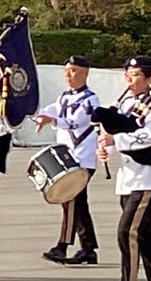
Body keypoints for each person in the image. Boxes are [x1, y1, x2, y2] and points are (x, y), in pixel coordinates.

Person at [97, 56, 151, 281]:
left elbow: (150, 137)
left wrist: (116, 140)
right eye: (128, 73)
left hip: (147, 180)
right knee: (145, 237)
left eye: (137, 74)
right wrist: (106, 143)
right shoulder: (126, 104)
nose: (130, 77)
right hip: (128, 180)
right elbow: (116, 132)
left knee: (127, 232)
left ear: (150, 80)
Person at [32, 55, 100, 265]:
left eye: (74, 72)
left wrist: (52, 120)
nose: (69, 76)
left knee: (69, 200)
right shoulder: (64, 97)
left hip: (82, 159)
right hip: (68, 157)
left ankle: (62, 246)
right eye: (67, 72)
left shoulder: (90, 100)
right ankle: (88, 249)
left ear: (85, 74)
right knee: (78, 204)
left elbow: (74, 121)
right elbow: (53, 109)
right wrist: (39, 114)